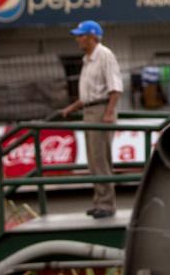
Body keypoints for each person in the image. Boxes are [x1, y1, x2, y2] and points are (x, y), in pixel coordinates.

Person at [60, 20, 123, 219]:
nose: (78, 39)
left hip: (100, 110)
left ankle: (106, 204)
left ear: (92, 36)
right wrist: (72, 108)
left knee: (100, 158)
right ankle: (99, 201)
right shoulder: (87, 59)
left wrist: (109, 113)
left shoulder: (104, 55)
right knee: (93, 160)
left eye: (81, 35)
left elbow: (115, 87)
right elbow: (88, 94)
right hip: (90, 110)